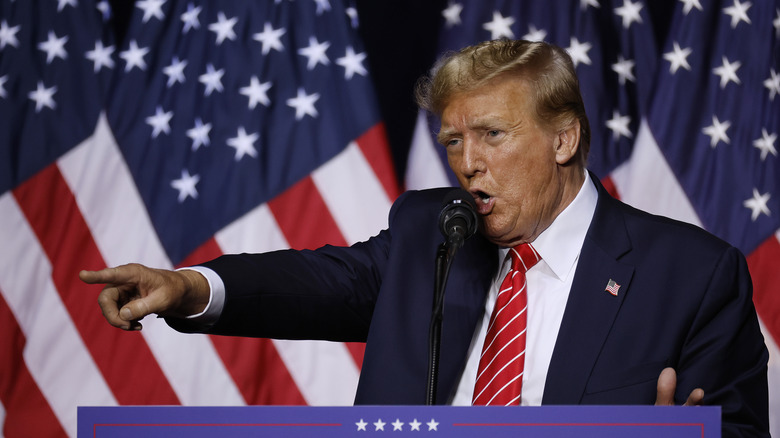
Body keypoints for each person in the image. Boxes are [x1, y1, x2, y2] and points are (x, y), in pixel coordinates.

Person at [80, 40, 769, 436]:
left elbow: (735, 431)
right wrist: (189, 287)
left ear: (565, 137)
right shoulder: (432, 233)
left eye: (492, 135)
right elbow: (318, 284)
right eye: (452, 141)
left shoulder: (693, 274)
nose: (467, 163)